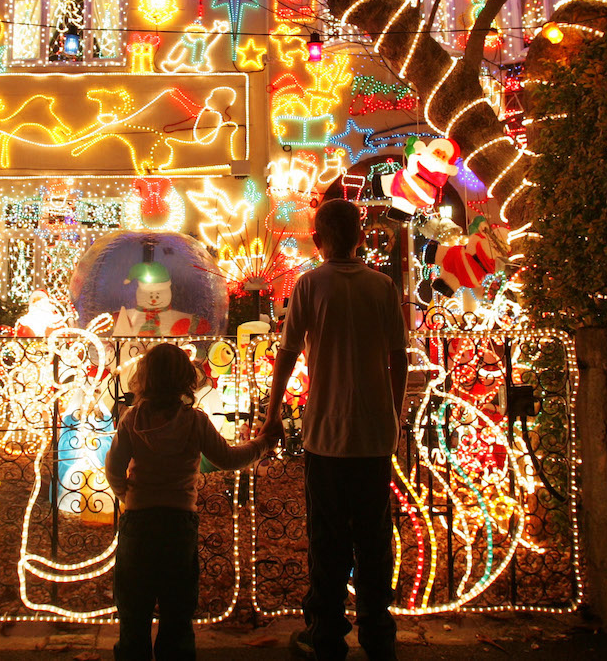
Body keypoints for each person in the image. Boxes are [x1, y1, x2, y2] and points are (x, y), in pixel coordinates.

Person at [259, 198, 409, 661]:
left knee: (327, 538)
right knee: (374, 535)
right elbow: (398, 358)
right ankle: (377, 632)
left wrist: (271, 414)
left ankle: (326, 633)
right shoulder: (382, 287)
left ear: (318, 241)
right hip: (372, 436)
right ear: (361, 237)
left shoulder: (309, 286)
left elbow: (286, 354)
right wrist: (395, 415)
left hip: (325, 433)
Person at [106, 342, 276, 661]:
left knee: (133, 610)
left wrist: (129, 497)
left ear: (144, 379)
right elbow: (227, 458)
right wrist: (262, 444)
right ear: (186, 380)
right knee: (177, 609)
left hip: (138, 522)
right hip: (178, 522)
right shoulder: (194, 421)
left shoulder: (131, 419)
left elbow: (113, 467)